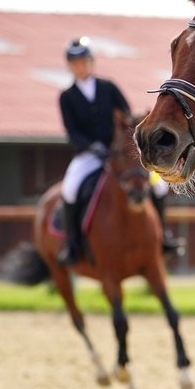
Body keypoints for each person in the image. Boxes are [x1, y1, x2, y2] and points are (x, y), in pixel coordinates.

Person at [57, 37, 132, 264]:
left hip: (117, 152)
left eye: (83, 61)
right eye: (75, 63)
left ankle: (163, 238)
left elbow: (126, 116)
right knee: (69, 190)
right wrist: (92, 147)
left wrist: (118, 144)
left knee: (157, 185)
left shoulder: (108, 88)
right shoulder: (67, 97)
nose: (80, 66)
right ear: (70, 66)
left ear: (91, 62)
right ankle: (72, 244)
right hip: (88, 155)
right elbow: (72, 131)